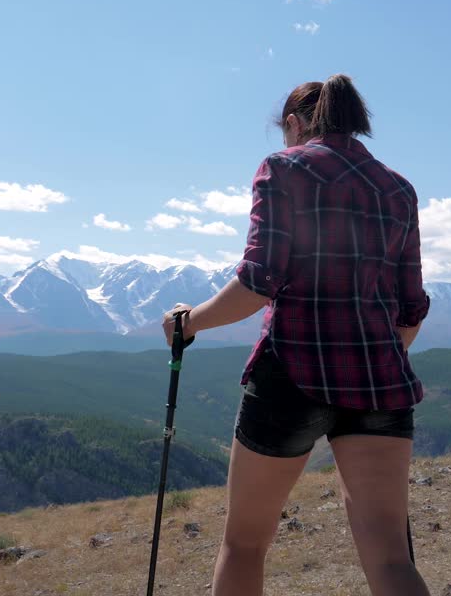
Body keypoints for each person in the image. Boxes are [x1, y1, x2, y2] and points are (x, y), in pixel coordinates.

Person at [162, 74, 432, 596]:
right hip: (381, 385)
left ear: (294, 124)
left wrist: (188, 323)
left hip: (290, 376)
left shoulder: (283, 169)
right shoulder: (399, 190)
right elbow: (411, 309)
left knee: (244, 545)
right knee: (391, 560)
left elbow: (259, 282)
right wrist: (375, 356)